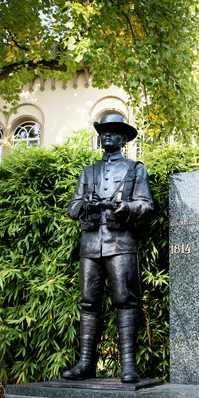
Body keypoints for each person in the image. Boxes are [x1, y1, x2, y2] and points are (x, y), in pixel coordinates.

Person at [63, 114, 154, 383]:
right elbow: (71, 208)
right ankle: (86, 364)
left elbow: (147, 205)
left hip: (121, 242)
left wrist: (127, 207)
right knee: (88, 302)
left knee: (125, 300)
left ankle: (128, 365)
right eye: (104, 132)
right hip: (91, 243)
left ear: (124, 138)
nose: (107, 136)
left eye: (113, 132)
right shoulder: (88, 172)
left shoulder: (135, 168)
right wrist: (85, 205)